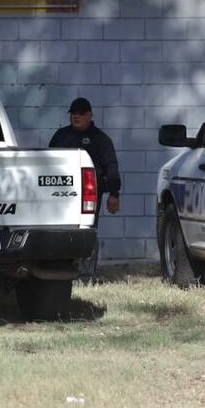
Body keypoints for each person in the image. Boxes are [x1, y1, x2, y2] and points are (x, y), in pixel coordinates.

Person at [49, 97, 121, 283]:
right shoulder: (61, 136)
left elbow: (112, 167)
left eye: (81, 113)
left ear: (90, 115)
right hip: (60, 193)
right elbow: (48, 163)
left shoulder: (100, 139)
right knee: (59, 232)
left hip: (88, 195)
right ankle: (60, 273)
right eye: (73, 113)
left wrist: (114, 194)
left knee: (87, 231)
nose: (76, 116)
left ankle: (85, 275)